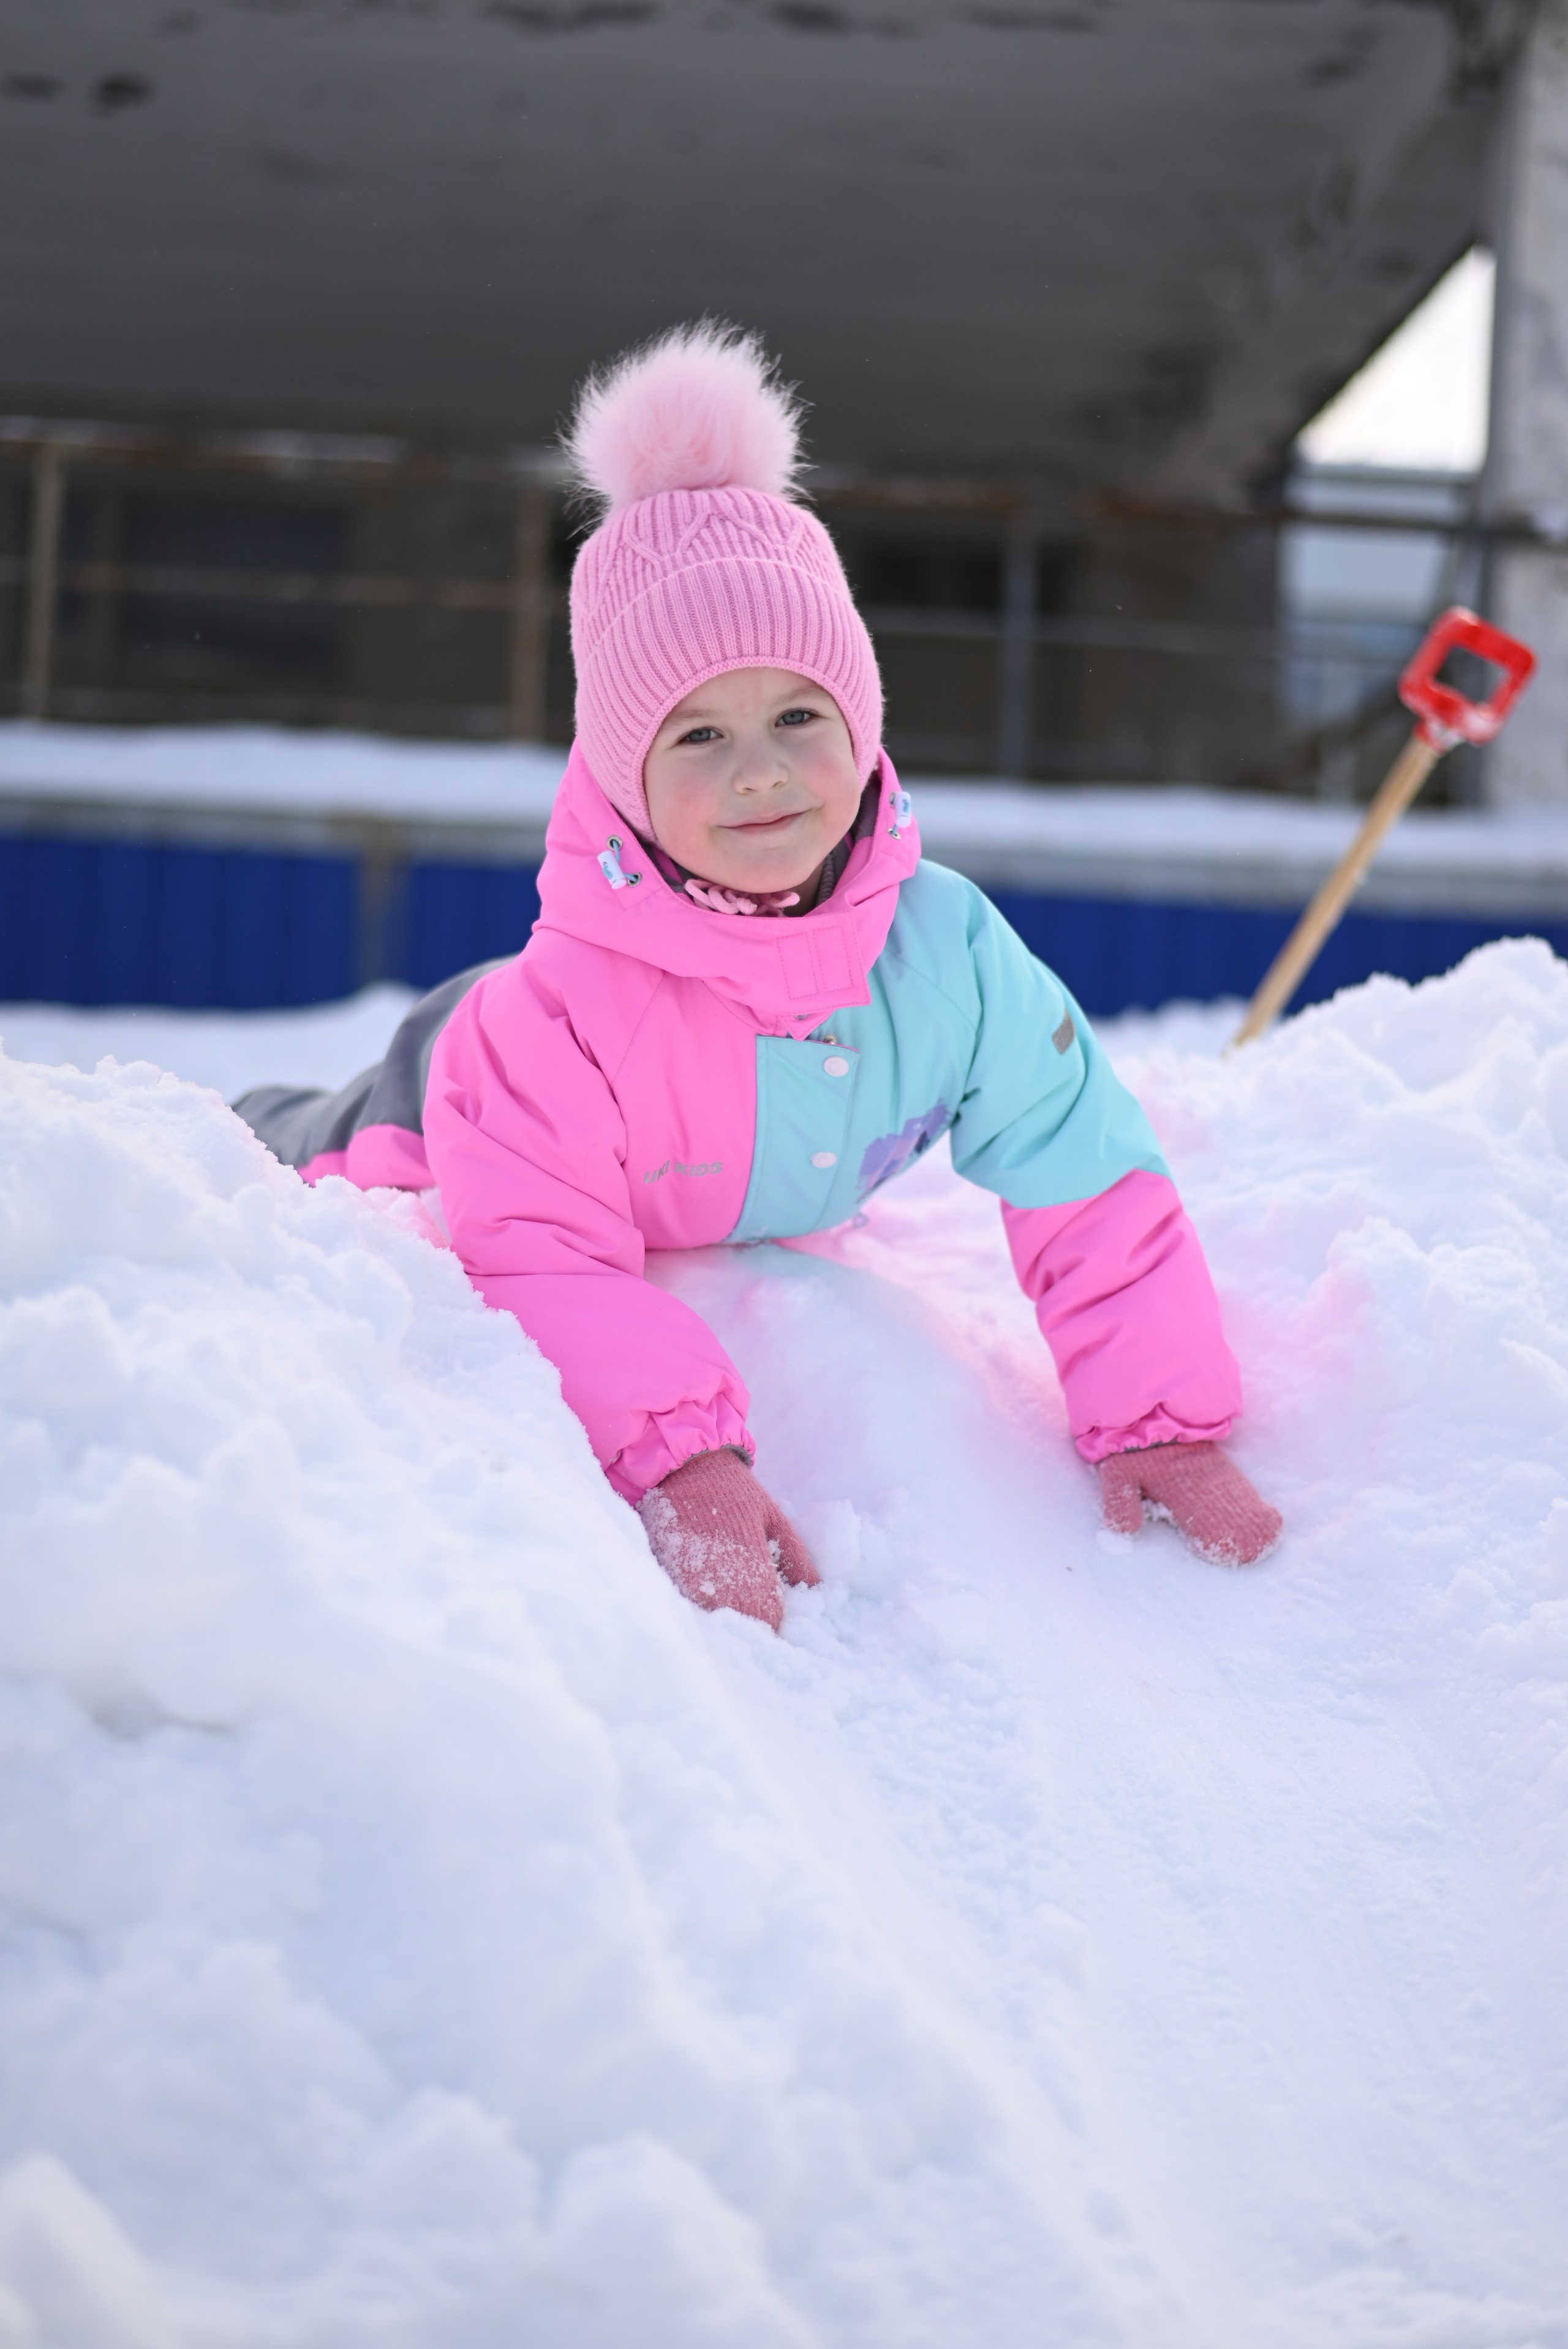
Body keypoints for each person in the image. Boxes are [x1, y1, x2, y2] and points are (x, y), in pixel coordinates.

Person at [234, 323, 1281, 1630]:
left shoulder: (943, 952)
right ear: (624, 772)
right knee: (283, 1161)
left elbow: (1085, 1170)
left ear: (862, 722)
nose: (761, 773)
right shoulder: (556, 1023)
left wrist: (1157, 1415)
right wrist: (681, 1452)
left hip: (682, 1144)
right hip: (444, 1094)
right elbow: (540, 1256)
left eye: (797, 715)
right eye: (698, 735)